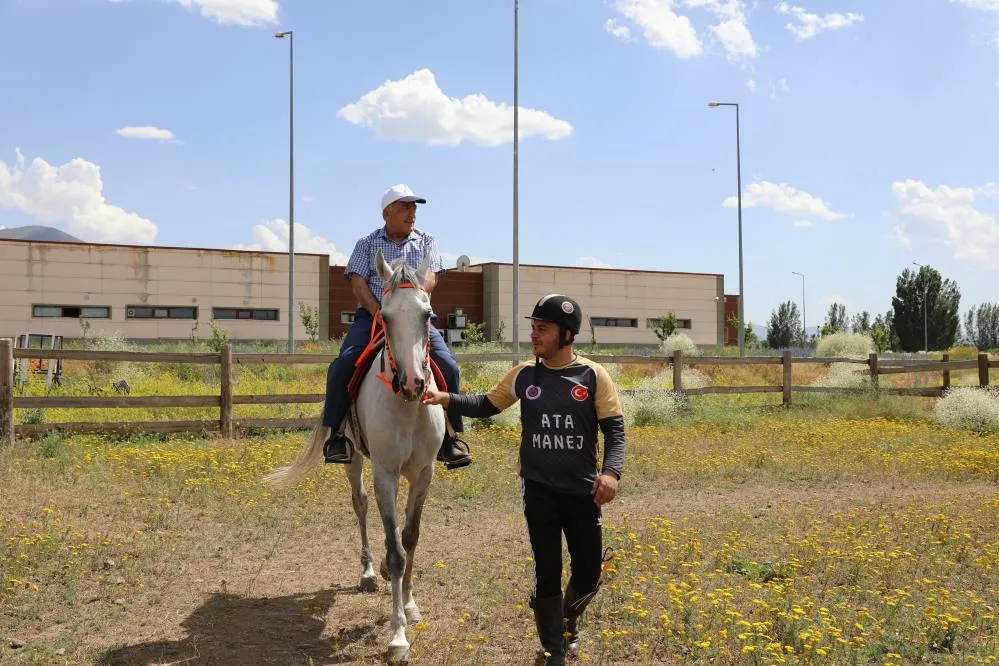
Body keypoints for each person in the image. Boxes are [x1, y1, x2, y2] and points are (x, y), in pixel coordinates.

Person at [422, 294, 625, 665]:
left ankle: (569, 620)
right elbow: (486, 404)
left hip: (583, 492)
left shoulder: (594, 376)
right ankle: (555, 649)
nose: (534, 335)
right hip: (539, 491)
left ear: (566, 334)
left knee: (590, 574)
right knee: (546, 569)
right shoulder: (524, 374)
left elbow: (615, 431)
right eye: (532, 327)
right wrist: (444, 397)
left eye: (542, 329)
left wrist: (610, 473)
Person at [320, 183, 472, 469]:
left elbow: (432, 279)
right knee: (344, 364)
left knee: (449, 367)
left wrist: (414, 298)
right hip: (374, 315)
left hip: (415, 316)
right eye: (405, 206)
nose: (412, 212)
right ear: (387, 212)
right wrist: (379, 312)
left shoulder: (427, 241)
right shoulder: (367, 243)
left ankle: (451, 437)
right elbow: (357, 282)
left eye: (414, 207)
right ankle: (337, 434)